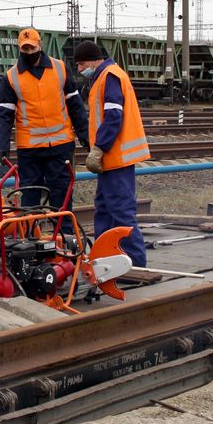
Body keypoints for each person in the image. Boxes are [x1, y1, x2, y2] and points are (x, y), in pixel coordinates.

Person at [73, 40, 149, 267]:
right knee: (105, 209)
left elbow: (114, 117)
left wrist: (99, 148)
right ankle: (104, 259)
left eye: (81, 63)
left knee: (121, 212)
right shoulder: (104, 77)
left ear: (95, 59)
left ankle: (136, 265)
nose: (79, 69)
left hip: (117, 158)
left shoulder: (110, 77)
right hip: (111, 159)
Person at [0, 27, 90, 210]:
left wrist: (85, 135)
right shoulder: (11, 77)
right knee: (30, 193)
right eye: (25, 49)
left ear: (40, 45)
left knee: (61, 191)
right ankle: (31, 234)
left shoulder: (60, 68)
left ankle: (64, 233)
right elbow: (4, 114)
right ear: (19, 49)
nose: (29, 52)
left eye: (32, 48)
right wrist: (2, 145)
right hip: (29, 148)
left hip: (61, 144)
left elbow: (75, 105)